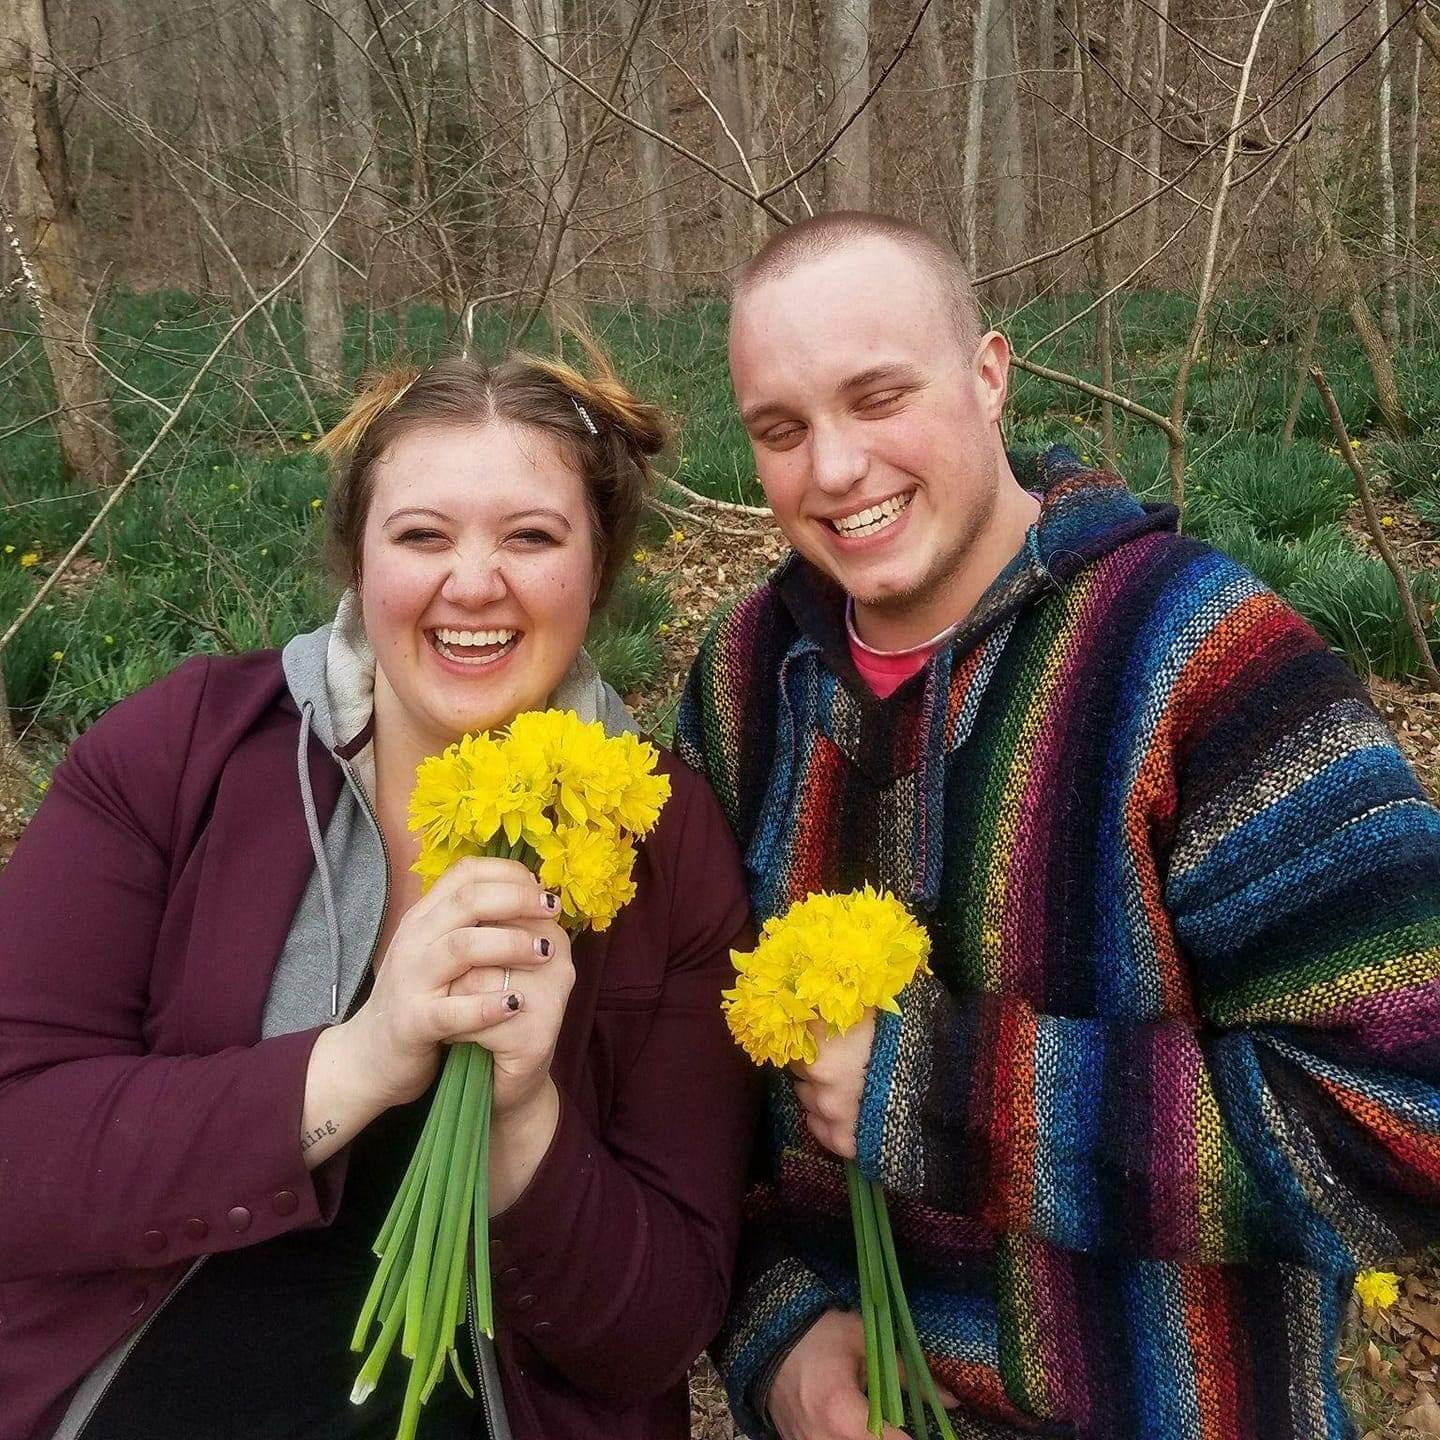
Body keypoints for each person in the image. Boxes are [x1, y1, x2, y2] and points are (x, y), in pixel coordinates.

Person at [677, 210, 1440, 1440]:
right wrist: (773, 1334)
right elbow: (694, 1078)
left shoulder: (1197, 660)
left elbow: (1401, 1113)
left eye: (879, 399)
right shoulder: (744, 680)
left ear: (989, 375)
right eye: (781, 429)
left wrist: (938, 1093)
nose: (834, 469)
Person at [0, 345, 758, 1440]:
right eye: (422, 536)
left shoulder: (666, 840)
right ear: (359, 557)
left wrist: (523, 1118)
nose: (473, 583)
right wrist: (359, 1061)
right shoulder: (181, 751)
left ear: (598, 568)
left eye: (531, 537)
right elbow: (20, 1156)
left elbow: (659, 1329)